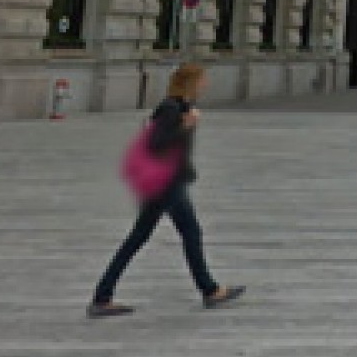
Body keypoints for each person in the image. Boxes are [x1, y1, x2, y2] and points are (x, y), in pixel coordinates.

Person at [90, 63, 245, 316]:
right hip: (167, 184)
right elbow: (157, 144)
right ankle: (209, 290)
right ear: (191, 82)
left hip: (168, 183)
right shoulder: (171, 109)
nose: (206, 84)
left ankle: (102, 295)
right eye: (202, 79)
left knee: (141, 237)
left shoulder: (181, 107)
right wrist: (186, 125)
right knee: (188, 233)